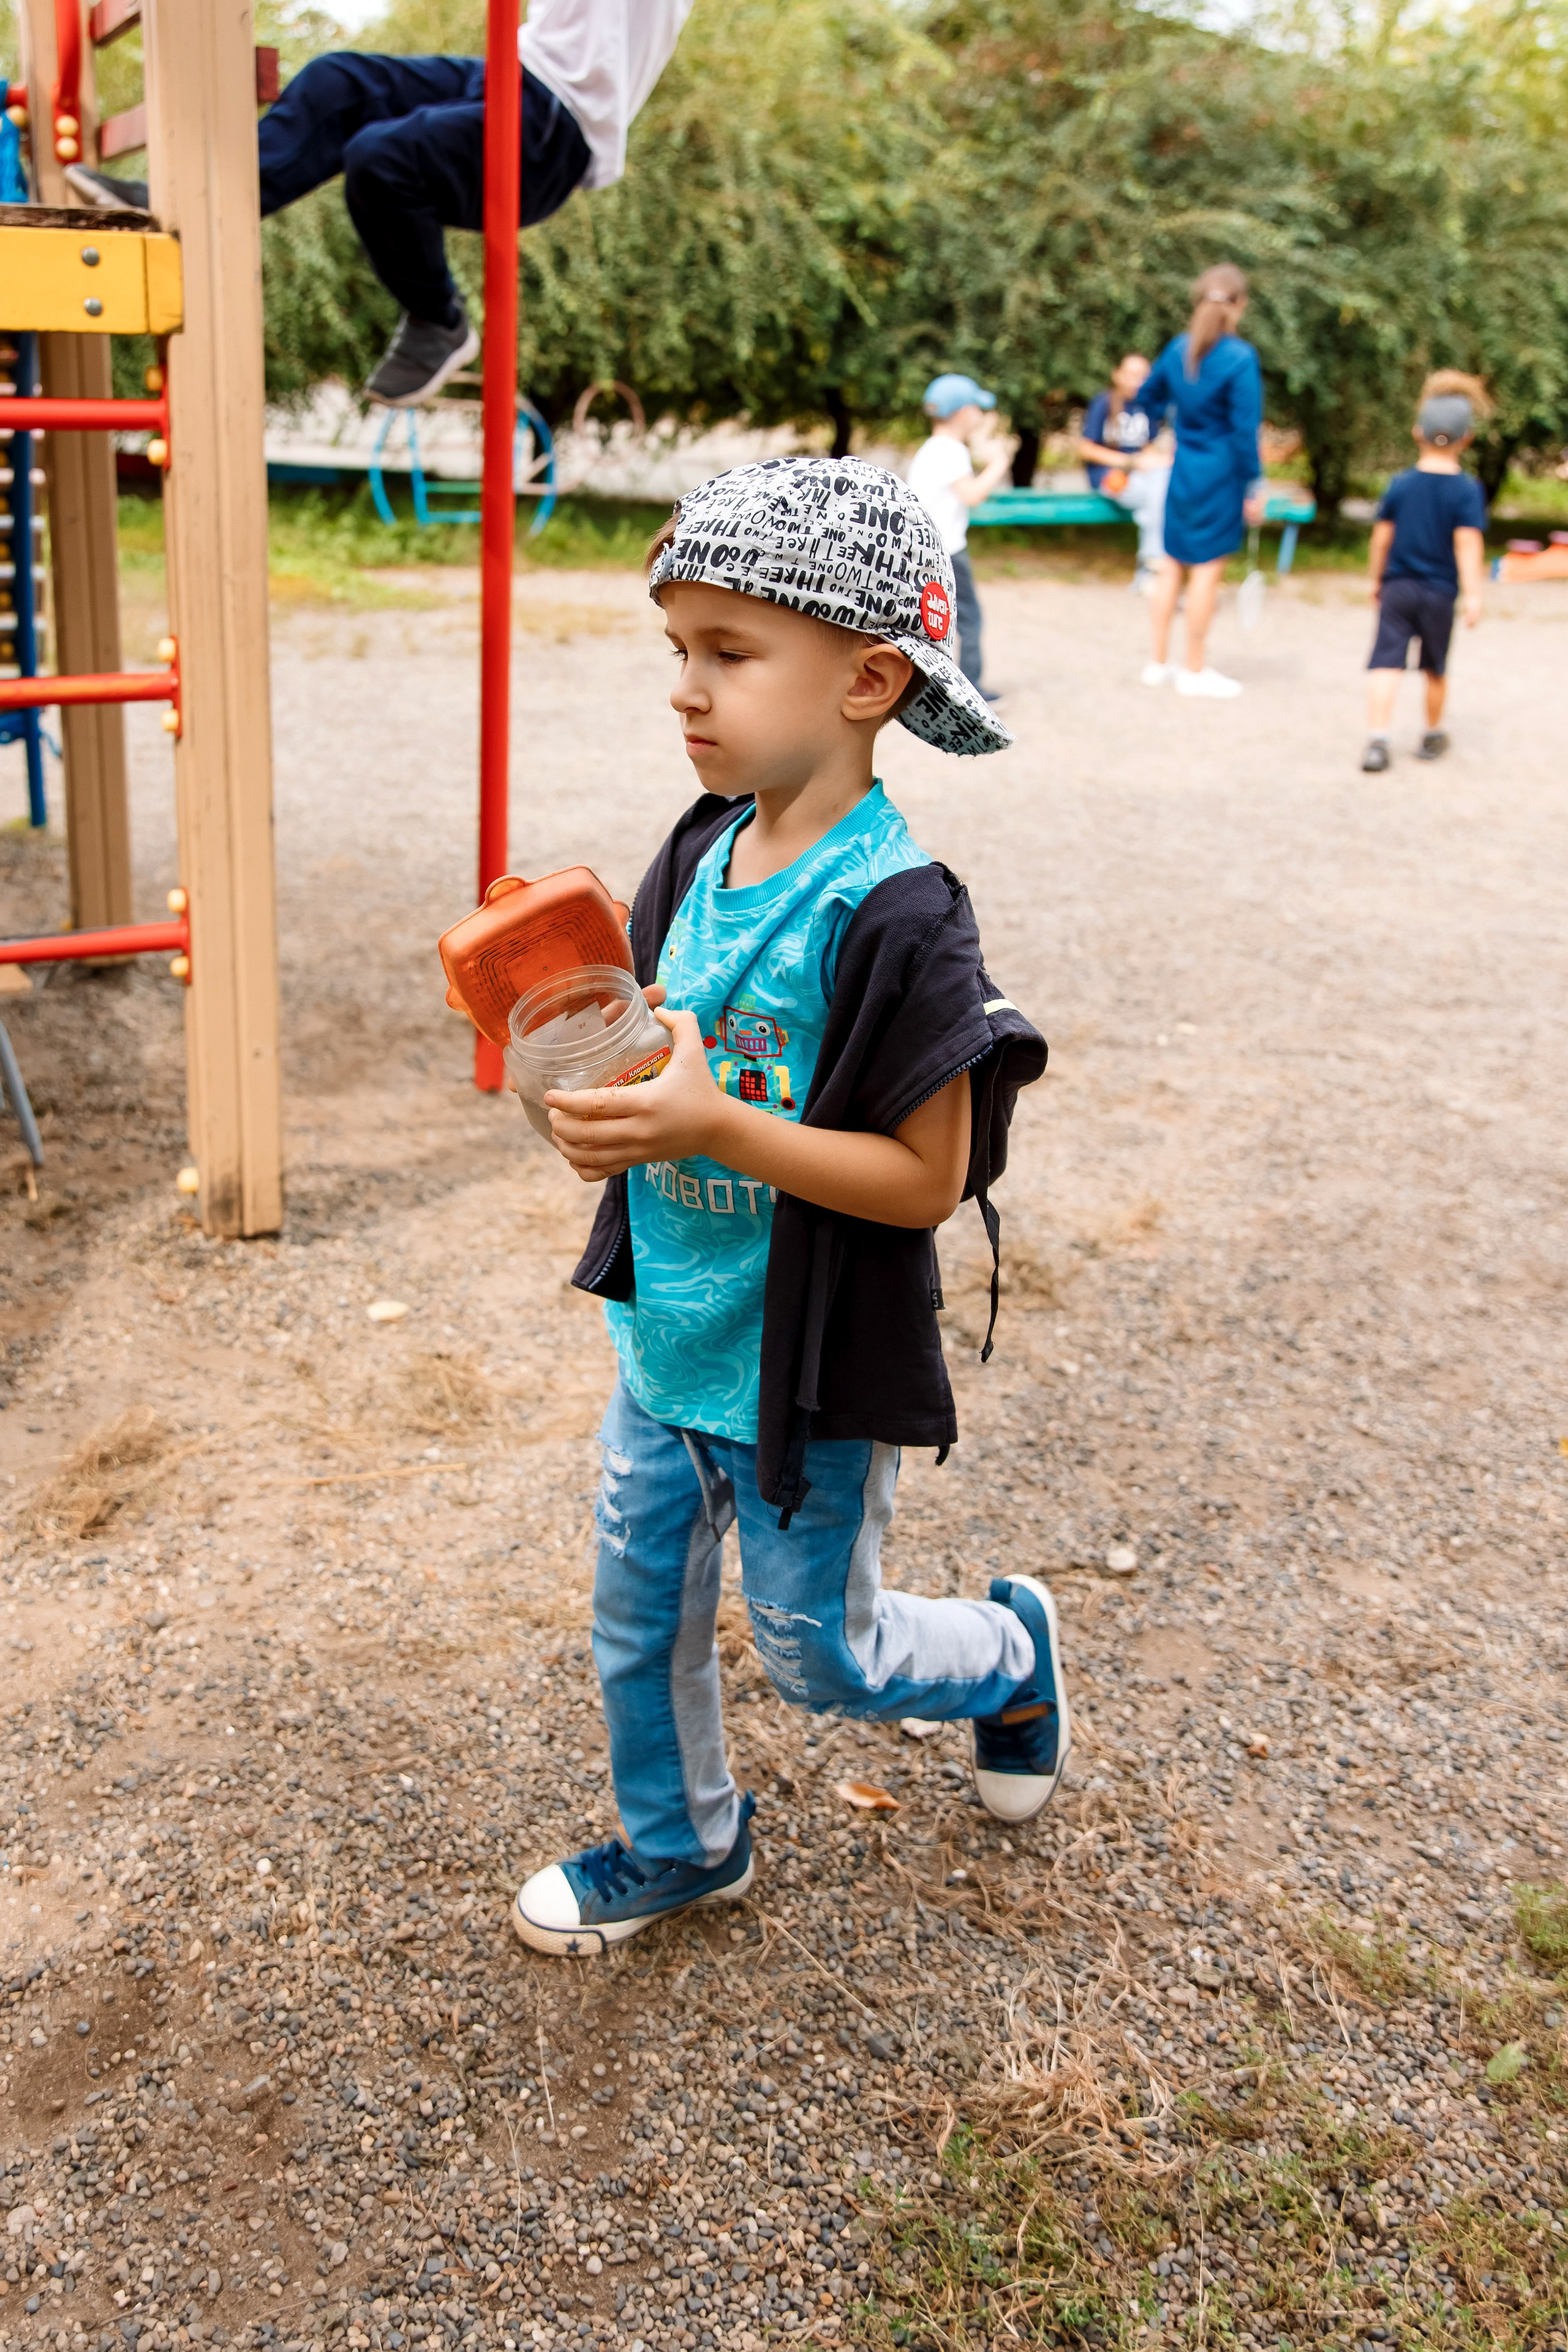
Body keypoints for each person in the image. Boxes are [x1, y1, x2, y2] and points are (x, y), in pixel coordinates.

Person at [505, 453, 1069, 1954]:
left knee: (824, 1652)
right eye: (675, 652)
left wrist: (715, 1125)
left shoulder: (896, 913)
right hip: (669, 1338)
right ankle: (680, 1842)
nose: (684, 692)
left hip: (799, 1375)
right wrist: (606, 1113)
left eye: (729, 654)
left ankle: (1007, 1654)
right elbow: (653, 1046)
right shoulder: (701, 842)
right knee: (636, 1619)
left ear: (867, 678)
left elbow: (923, 1180)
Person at [66, 0, 693, 407]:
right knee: (338, 82)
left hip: (556, 130)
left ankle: (437, 318)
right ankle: (199, 206)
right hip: (514, 70)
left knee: (384, 157)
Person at [1134, 264, 1265, 699]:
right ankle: (1194, 668)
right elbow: (1245, 433)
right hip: (1222, 475)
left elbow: (1145, 399)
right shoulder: (1240, 358)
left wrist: (1153, 438)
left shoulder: (1177, 350)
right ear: (1240, 306)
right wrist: (1255, 485)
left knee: (1171, 564)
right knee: (1206, 571)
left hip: (1183, 469)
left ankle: (1158, 663)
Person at [1360, 377, 1488, 773]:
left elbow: (1381, 540)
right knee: (1434, 666)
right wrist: (1474, 595)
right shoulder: (1466, 491)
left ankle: (1377, 741)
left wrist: (1375, 580)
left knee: (1385, 662)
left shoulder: (1401, 484)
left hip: (1398, 588)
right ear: (1466, 439)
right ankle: (1431, 734)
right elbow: (1467, 546)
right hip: (1439, 592)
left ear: (1418, 434)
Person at [906, 374, 1017, 700]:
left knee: (935, 619)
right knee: (969, 620)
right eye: (978, 410)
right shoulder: (951, 450)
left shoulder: (930, 449)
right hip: (949, 551)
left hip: (928, 551)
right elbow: (971, 494)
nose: (981, 417)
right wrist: (1000, 463)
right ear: (966, 413)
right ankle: (970, 690)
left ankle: (929, 686)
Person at [1079, 352, 1170, 591]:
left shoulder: (1146, 407)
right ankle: (1151, 567)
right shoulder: (1104, 403)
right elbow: (1086, 450)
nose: (1136, 381)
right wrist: (1129, 462)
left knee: (1162, 484)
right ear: (1117, 375)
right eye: (1131, 375)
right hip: (1110, 477)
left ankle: (1149, 569)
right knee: (1158, 498)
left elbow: (1147, 449)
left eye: (1142, 376)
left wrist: (1160, 459)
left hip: (1141, 480)